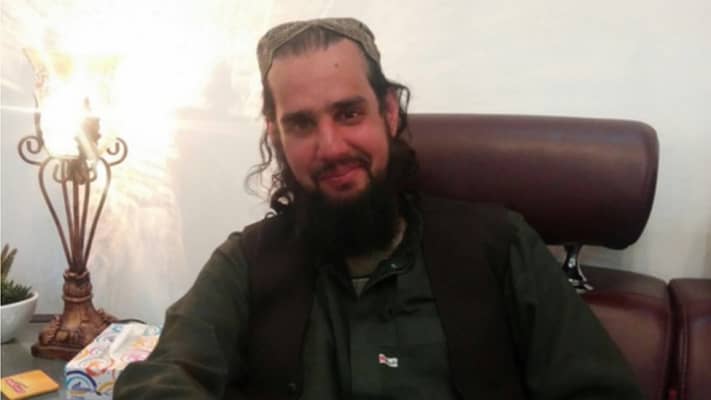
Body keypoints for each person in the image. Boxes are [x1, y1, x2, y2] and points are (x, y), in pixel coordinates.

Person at [114, 17, 644, 399]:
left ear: (389, 112)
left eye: (349, 113)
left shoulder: (500, 247)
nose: (330, 147)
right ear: (275, 135)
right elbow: (164, 378)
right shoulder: (244, 264)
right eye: (301, 124)